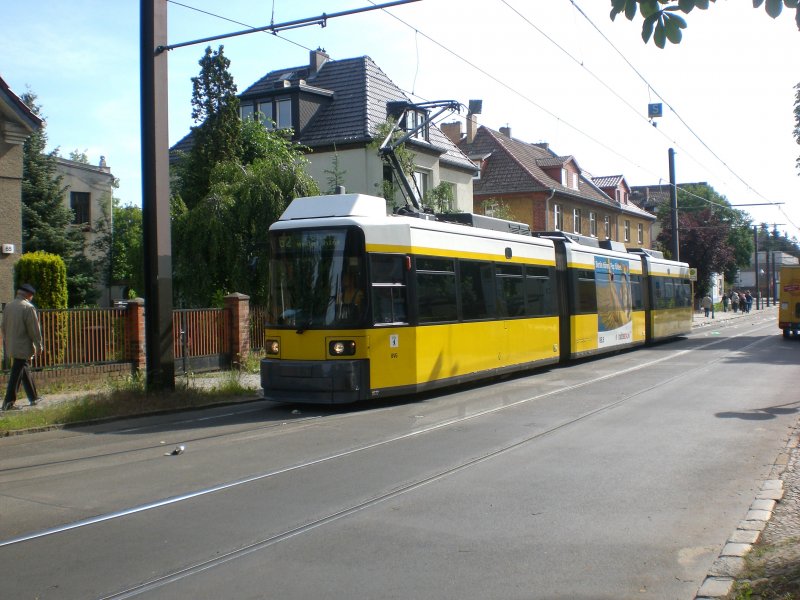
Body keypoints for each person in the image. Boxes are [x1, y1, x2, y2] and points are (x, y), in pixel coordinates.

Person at [2, 283, 44, 411]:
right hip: (23, 345)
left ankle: (34, 397)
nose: (32, 298)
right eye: (31, 296)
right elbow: (34, 329)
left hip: (11, 344)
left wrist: (7, 340)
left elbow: (3, 326)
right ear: (28, 295)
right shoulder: (28, 308)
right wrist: (39, 345)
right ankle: (8, 403)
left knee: (23, 368)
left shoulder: (8, 306)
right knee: (16, 372)